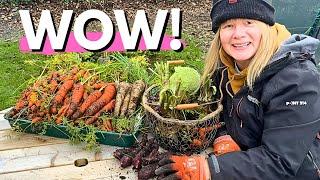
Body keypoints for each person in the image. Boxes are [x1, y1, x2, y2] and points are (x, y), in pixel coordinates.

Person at [155, 0, 320, 179]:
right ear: (219, 32)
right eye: (228, 25)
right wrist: (223, 135)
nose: (238, 34)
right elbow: (223, 111)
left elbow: (279, 161)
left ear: (266, 25)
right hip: (248, 163)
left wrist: (209, 169)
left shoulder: (298, 80)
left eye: (249, 22)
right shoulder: (225, 65)